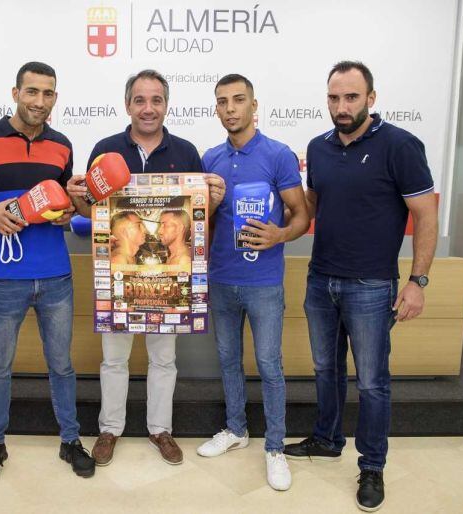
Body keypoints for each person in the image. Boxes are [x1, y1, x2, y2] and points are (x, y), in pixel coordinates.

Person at [283, 61, 438, 511]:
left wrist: (418, 281)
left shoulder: (400, 146)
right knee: (325, 369)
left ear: (371, 98)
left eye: (351, 97)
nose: (341, 106)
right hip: (321, 281)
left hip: (371, 286)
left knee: (372, 382)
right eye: (334, 98)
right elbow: (309, 208)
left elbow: (426, 215)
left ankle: (372, 466)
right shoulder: (319, 147)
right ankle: (328, 439)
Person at [0, 62, 95, 482]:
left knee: (62, 365)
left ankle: (70, 439)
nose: (39, 102)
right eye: (32, 92)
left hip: (56, 278)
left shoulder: (62, 145)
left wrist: (72, 207)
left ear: (55, 98)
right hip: (3, 279)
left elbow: (67, 207)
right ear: (15, 93)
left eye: (48, 94)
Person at [68, 69, 226, 466]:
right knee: (114, 359)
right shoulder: (106, 150)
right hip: (118, 276)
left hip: (168, 279)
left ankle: (160, 429)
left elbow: (196, 220)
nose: (148, 108)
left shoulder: (187, 151)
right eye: (140, 100)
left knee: (164, 359)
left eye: (156, 100)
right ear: (127, 105)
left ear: (166, 105)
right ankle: (110, 429)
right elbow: (94, 211)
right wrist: (77, 199)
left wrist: (215, 201)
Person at [197, 74, 310, 491]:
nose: (230, 108)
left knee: (268, 365)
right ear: (216, 109)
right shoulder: (209, 158)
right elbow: (201, 223)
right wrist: (209, 206)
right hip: (222, 278)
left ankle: (275, 447)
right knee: (228, 360)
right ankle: (236, 429)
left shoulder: (278, 156)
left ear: (253, 105)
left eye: (238, 100)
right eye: (223, 102)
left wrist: (279, 234)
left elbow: (301, 215)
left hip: (264, 282)